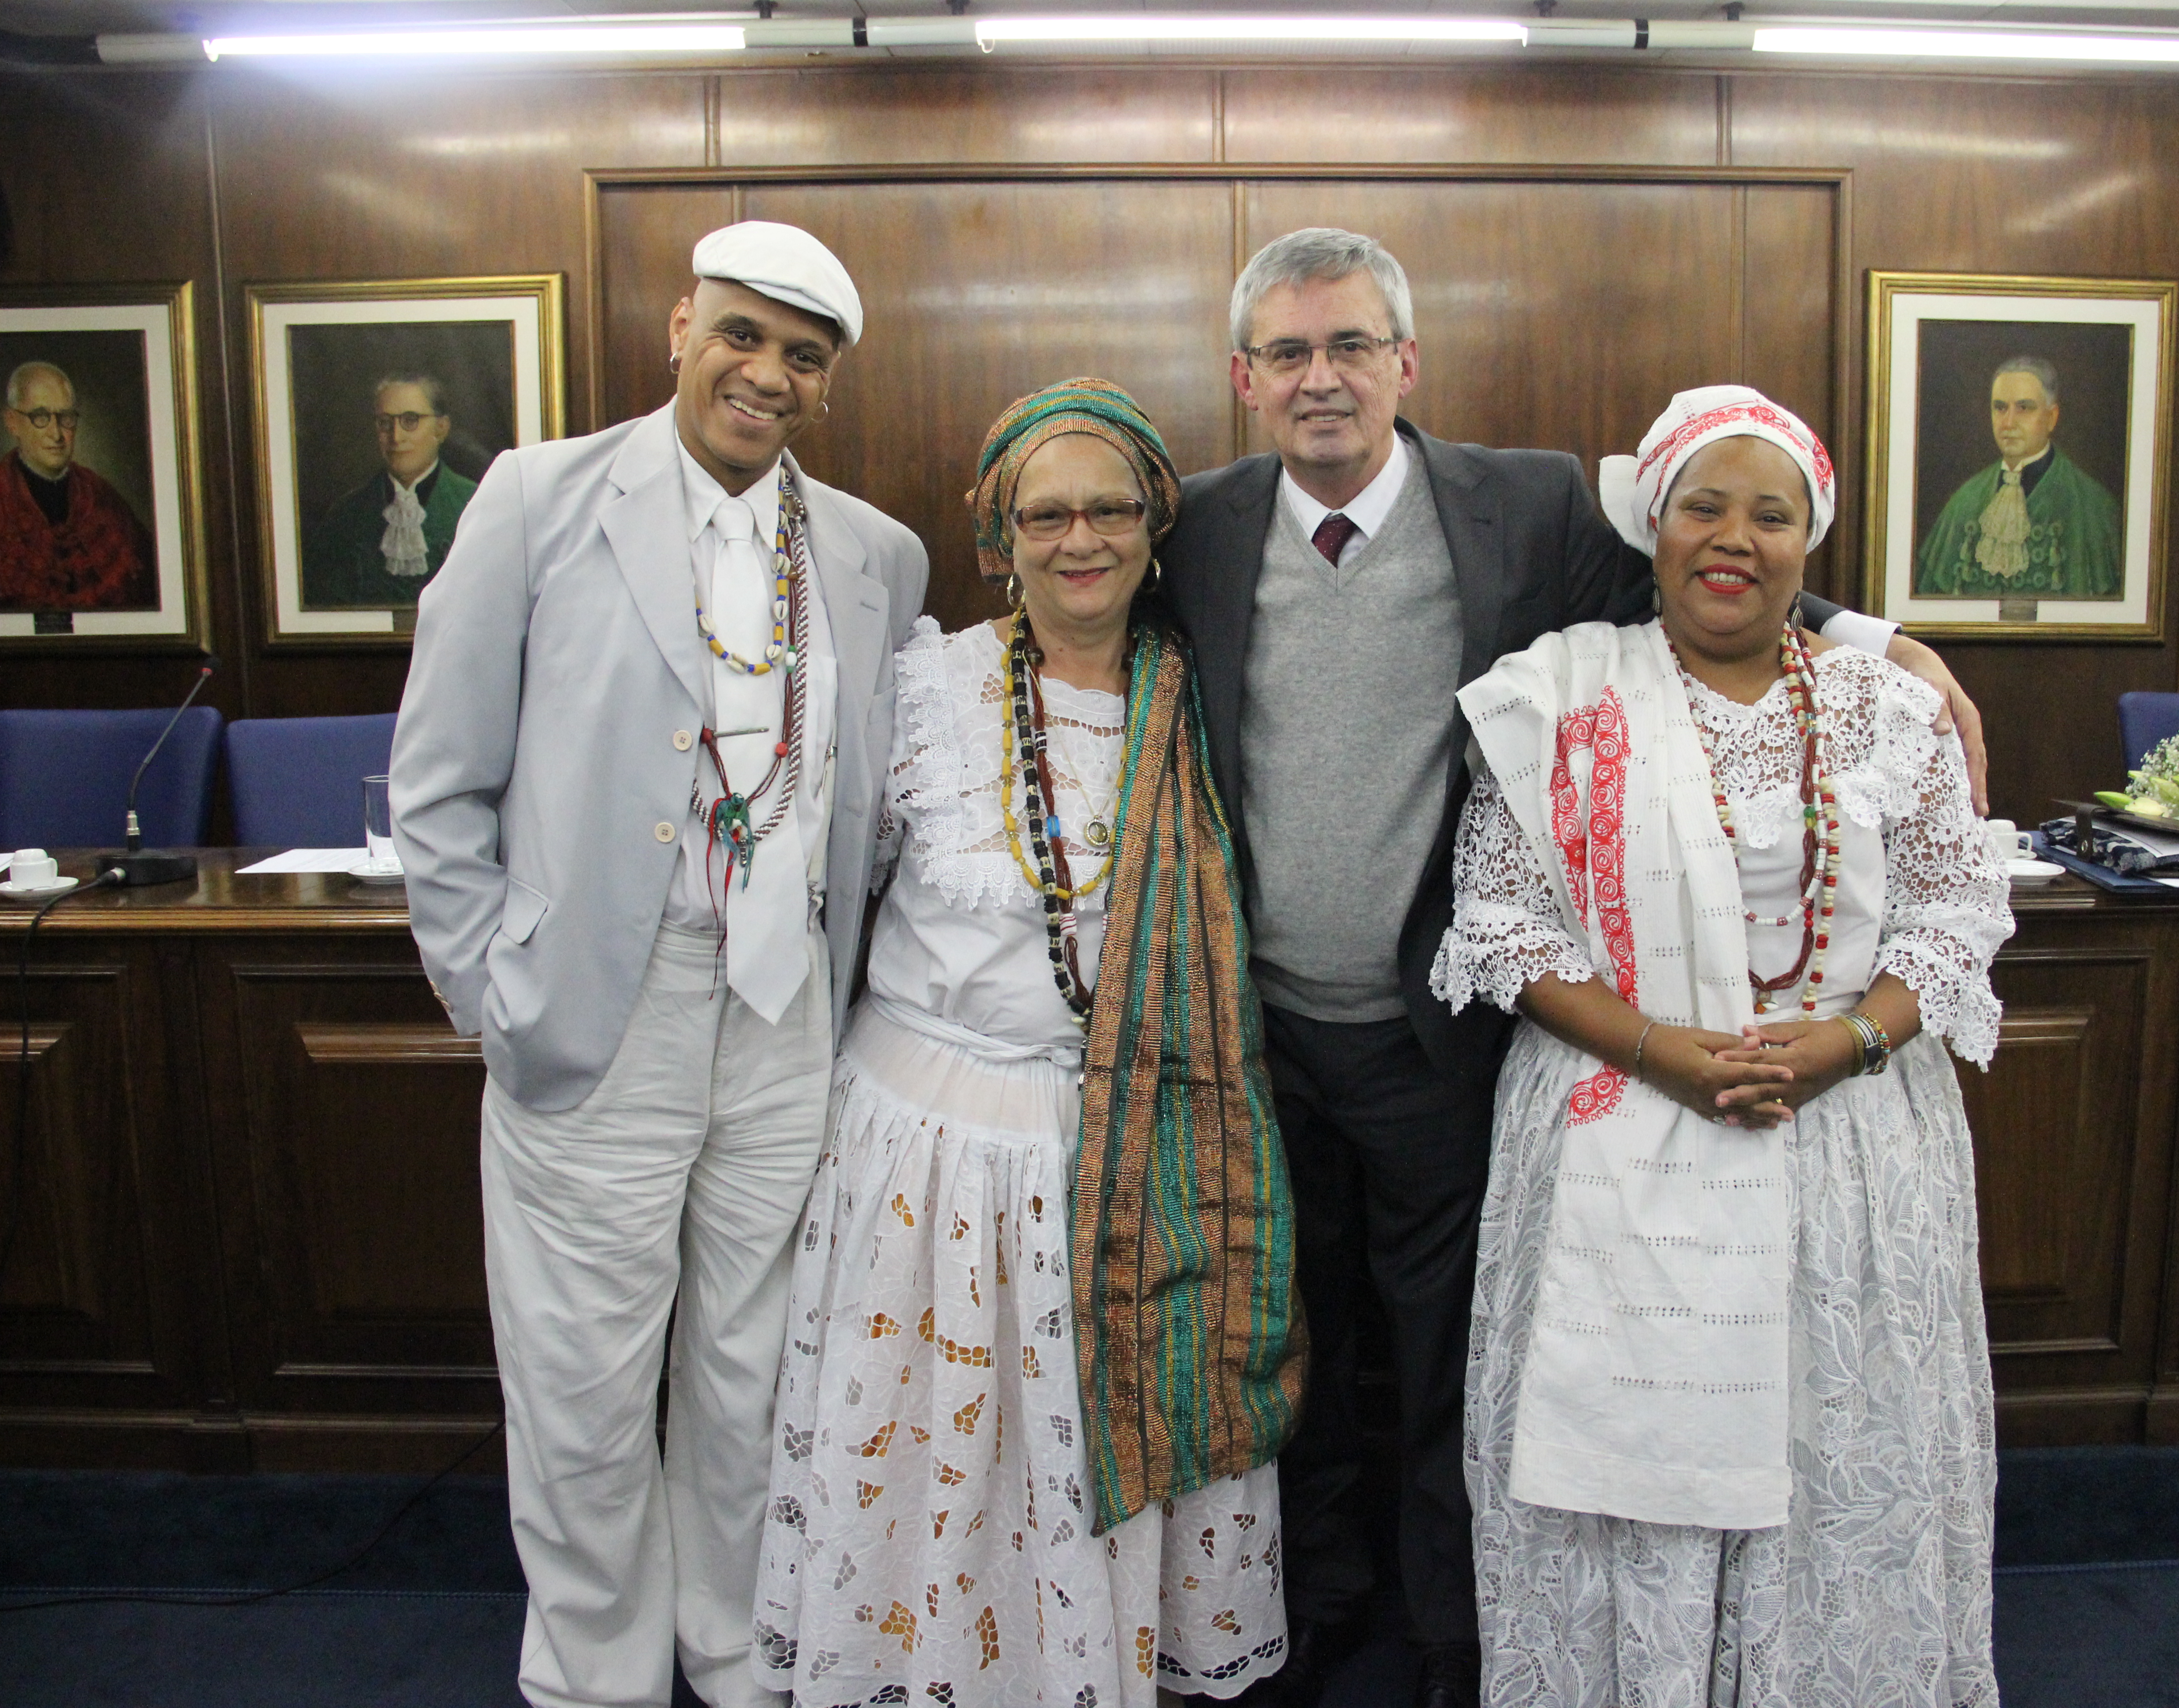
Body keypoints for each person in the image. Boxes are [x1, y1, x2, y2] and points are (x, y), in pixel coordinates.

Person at [1154, 227, 1985, 1708]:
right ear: (1245, 380)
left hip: (1428, 1037)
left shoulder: (1524, 502)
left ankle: (1443, 1632)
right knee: (1289, 1346)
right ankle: (1313, 1610)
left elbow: (1713, 558)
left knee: (1435, 1357)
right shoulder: (1199, 522)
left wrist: (1881, 639)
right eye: (1288, 352)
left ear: (1406, 364)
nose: (1321, 379)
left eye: (1351, 346)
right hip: (1255, 1028)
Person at [390, 220, 927, 1708]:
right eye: (741, 336)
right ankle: (596, 1677)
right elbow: (436, 786)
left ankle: (733, 1649)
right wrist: (494, 1001)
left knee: (754, 1370)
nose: (765, 376)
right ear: (682, 327)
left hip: (782, 1021)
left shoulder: (876, 554)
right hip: (598, 1015)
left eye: (801, 358)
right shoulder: (537, 500)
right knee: (582, 1384)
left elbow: (873, 802)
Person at [1436, 385, 2011, 1707]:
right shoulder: (1560, 695)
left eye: (1771, 513)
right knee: (1631, 1456)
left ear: (1811, 540)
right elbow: (1506, 927)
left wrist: (1851, 1040)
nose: (1732, 538)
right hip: (1620, 1126)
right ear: (1655, 523)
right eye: (1704, 506)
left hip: (1848, 1141)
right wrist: (1661, 1051)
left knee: (1827, 1449)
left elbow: (1960, 906)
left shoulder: (1887, 706)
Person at [750, 380, 1300, 1706]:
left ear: (1155, 530)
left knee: (1095, 1429)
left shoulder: (1208, 694)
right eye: (1045, 514)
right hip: (929, 1144)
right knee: (950, 1440)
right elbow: (822, 879)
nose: (1081, 539)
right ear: (1000, 537)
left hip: (1146, 1141)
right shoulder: (921, 689)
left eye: (1111, 509)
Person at [1914, 354, 2122, 599]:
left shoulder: (2093, 505)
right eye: (2000, 408)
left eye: (2024, 408)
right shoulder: (1964, 502)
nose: (2008, 422)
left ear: (2052, 417)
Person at [303, 372, 479, 607]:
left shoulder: (477, 504)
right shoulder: (344, 517)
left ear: (441, 428)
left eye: (411, 420)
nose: (396, 437)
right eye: (385, 423)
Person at [0, 359, 155, 610]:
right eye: (41, 417)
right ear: (12, 423)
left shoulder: (101, 496)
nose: (57, 433)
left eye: (66, 417)